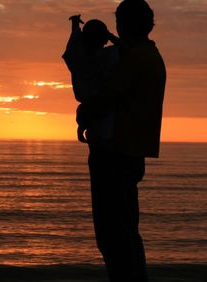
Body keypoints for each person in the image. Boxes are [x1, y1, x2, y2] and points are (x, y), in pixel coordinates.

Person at [84, 1, 166, 281]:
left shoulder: (132, 59)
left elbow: (106, 96)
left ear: (122, 24)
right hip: (133, 152)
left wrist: (83, 113)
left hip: (114, 152)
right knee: (128, 231)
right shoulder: (151, 55)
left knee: (111, 235)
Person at [62, 14, 120, 144]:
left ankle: (83, 126)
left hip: (87, 106)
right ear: (104, 40)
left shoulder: (75, 57)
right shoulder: (108, 56)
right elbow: (125, 49)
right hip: (102, 108)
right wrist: (110, 35)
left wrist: (75, 24)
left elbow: (74, 41)